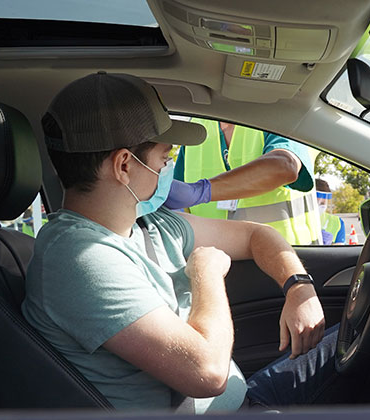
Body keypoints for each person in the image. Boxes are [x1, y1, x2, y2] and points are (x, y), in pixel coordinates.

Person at [21, 72, 349, 414]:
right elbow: (207, 374)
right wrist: (206, 274)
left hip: (244, 402)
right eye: (165, 155)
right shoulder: (79, 257)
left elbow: (256, 235)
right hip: (233, 409)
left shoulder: (148, 225)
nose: (169, 164)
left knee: (369, 338)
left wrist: (298, 287)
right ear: (123, 165)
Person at [167, 118, 323, 245]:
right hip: (218, 264)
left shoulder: (279, 118)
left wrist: (202, 191)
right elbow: (179, 204)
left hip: (287, 261)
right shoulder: (197, 129)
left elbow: (285, 166)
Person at [316, 179, 346, 245]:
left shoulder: (337, 222)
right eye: (315, 203)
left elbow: (339, 251)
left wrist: (329, 245)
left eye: (322, 203)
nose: (318, 206)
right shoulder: (296, 220)